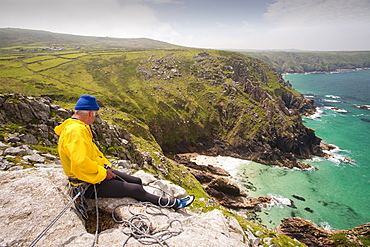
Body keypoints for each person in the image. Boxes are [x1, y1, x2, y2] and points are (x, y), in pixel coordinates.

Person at [54, 94, 194, 211]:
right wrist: (103, 173)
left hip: (94, 173)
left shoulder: (79, 127)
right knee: (135, 190)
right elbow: (80, 163)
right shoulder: (76, 131)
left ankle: (150, 198)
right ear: (90, 113)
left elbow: (91, 154)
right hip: (85, 183)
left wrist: (105, 167)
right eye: (95, 115)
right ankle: (174, 204)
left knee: (137, 180)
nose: (95, 119)